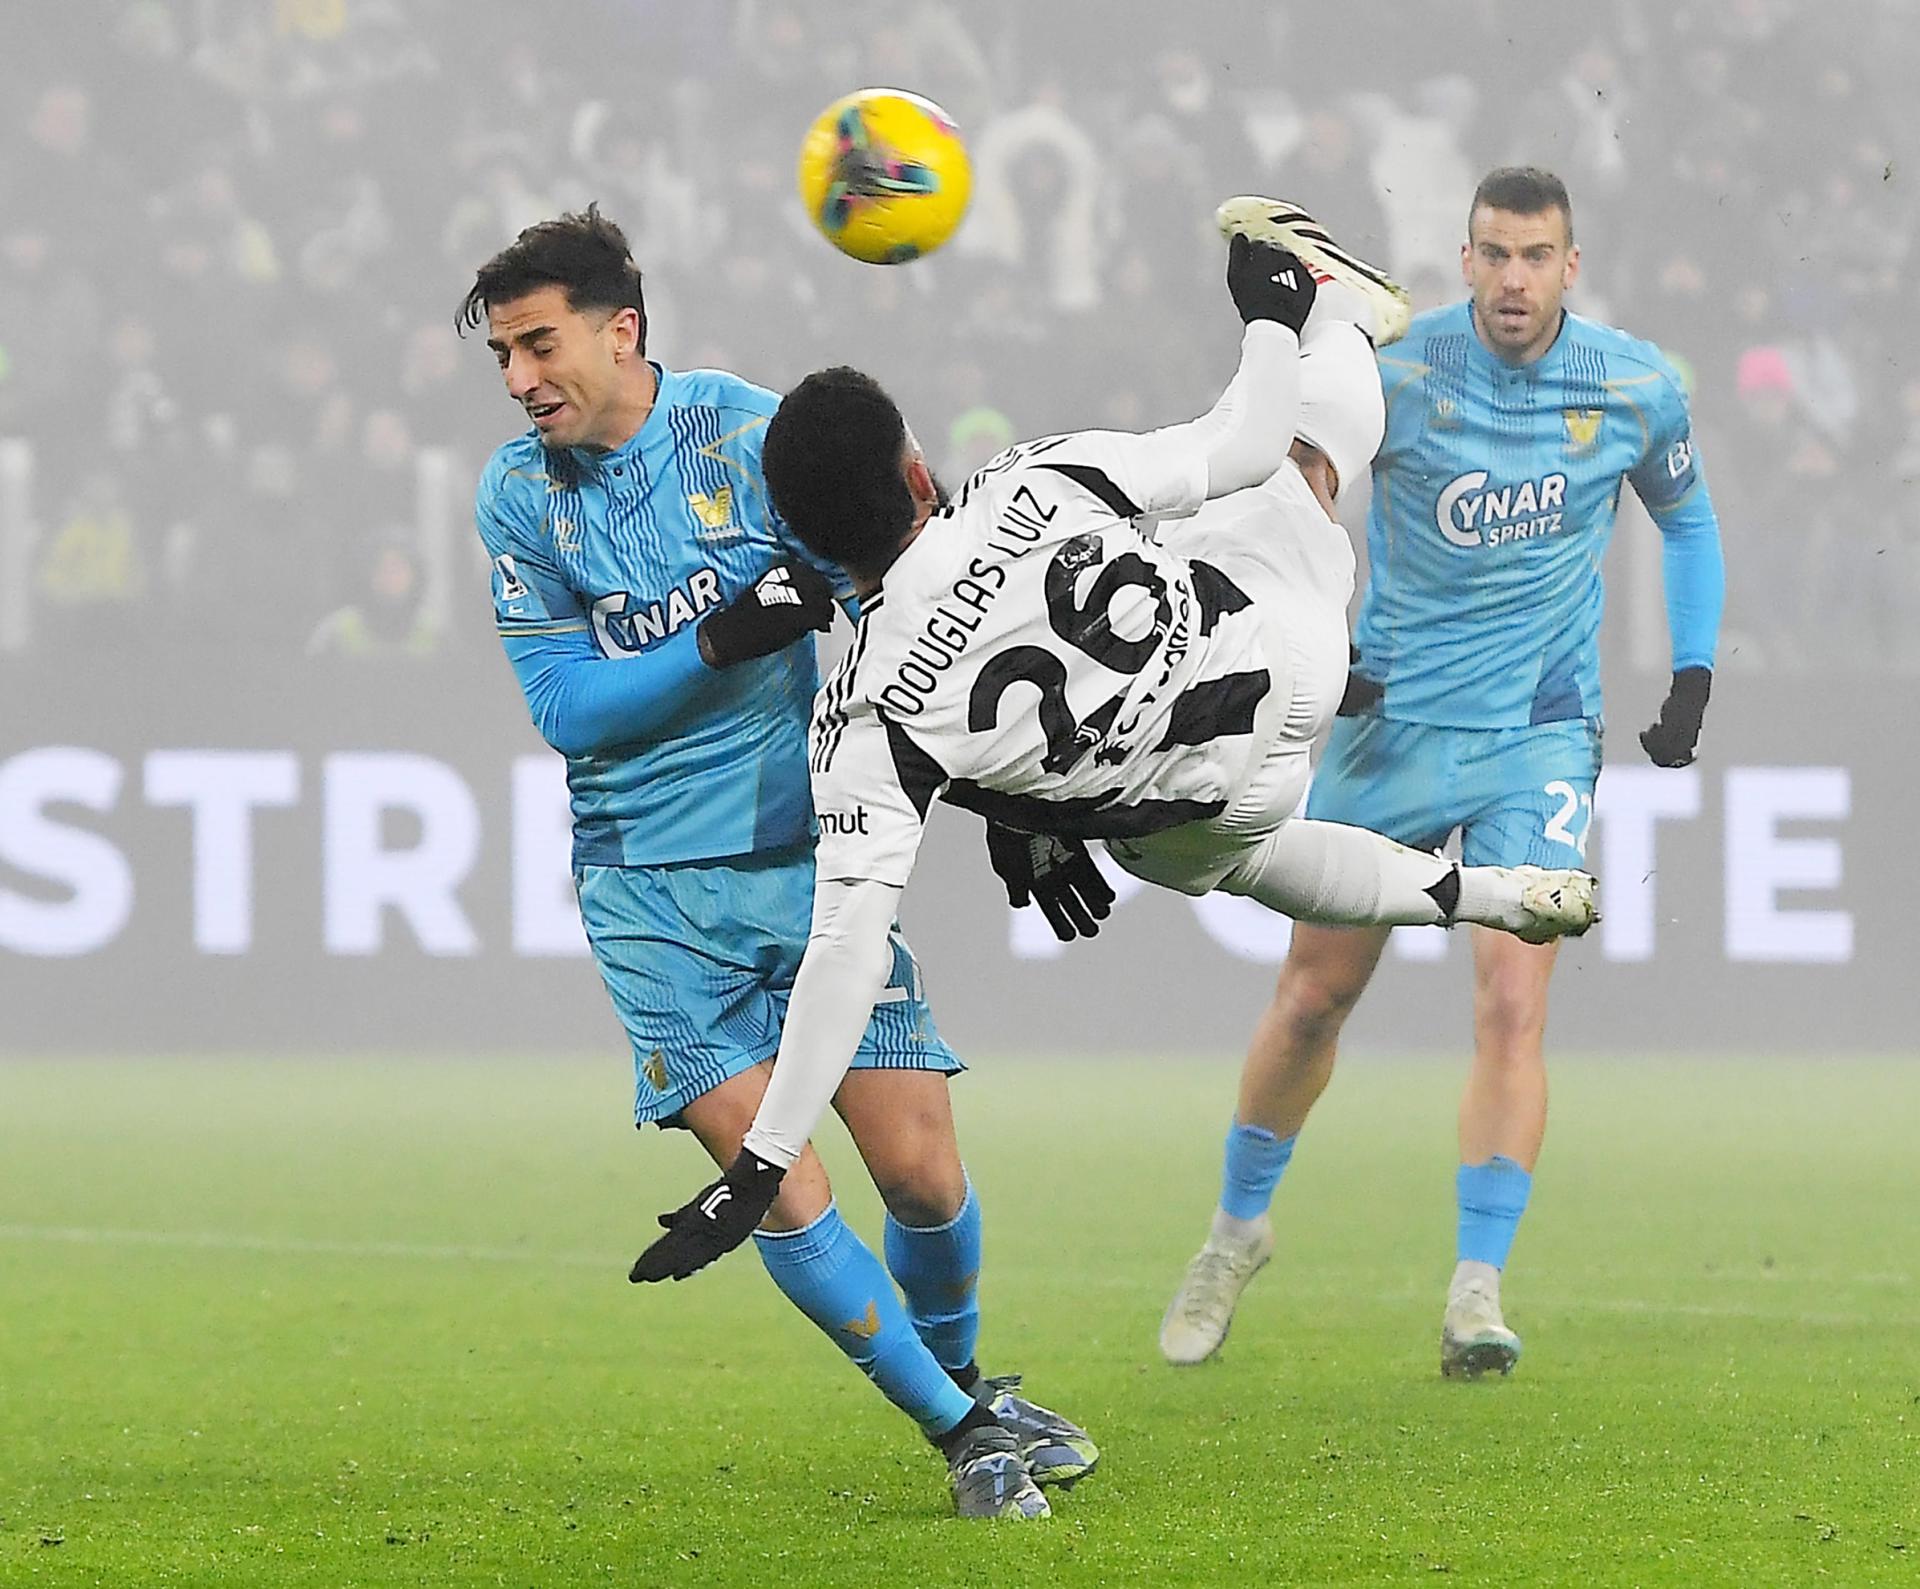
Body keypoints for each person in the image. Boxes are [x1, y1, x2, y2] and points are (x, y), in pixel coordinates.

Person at [627, 202, 1596, 1293]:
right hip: (1288, 652)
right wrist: (1273, 322)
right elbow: (1242, 441)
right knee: (1301, 470)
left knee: (1239, 856)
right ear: (914, 471)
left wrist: (763, 1161)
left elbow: (844, 949)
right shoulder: (1031, 478)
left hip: (1191, 821)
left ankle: (1475, 891)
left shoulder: (864, 720)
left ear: (799, 535)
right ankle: (1350, 326)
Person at [458, 205, 1094, 1523]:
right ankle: (963, 1433)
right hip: (652, 897)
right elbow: (568, 710)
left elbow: (905, 610)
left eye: (538, 344)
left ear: (621, 329)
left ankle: (966, 1379)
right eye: (505, 357)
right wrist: (720, 641)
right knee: (783, 1189)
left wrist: (1008, 798)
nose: (520, 382)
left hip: (811, 865)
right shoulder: (520, 500)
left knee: (921, 1170)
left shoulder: (753, 440)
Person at [1158, 171, 1726, 1378]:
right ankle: (1234, 1230)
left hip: (1541, 728)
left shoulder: (1635, 385)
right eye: (1493, 255)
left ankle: (1477, 1287)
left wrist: (1689, 671)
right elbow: (1297, 489)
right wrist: (1320, 636)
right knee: (1314, 995)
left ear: (1572, 266)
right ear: (1461, 261)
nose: (1514, 278)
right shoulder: (1399, 372)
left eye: (1537, 256)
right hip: (1394, 723)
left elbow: (1687, 520)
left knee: (1514, 1002)